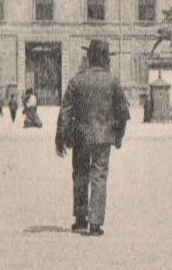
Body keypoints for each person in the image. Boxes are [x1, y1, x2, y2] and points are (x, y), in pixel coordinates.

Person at [55, 39, 131, 236]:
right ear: (105, 59)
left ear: (89, 57)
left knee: (80, 175)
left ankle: (80, 219)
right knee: (99, 177)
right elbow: (123, 112)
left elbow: (65, 111)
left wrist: (60, 137)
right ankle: (95, 223)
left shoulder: (76, 80)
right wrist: (119, 135)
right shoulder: (113, 81)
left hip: (80, 136)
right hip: (103, 138)